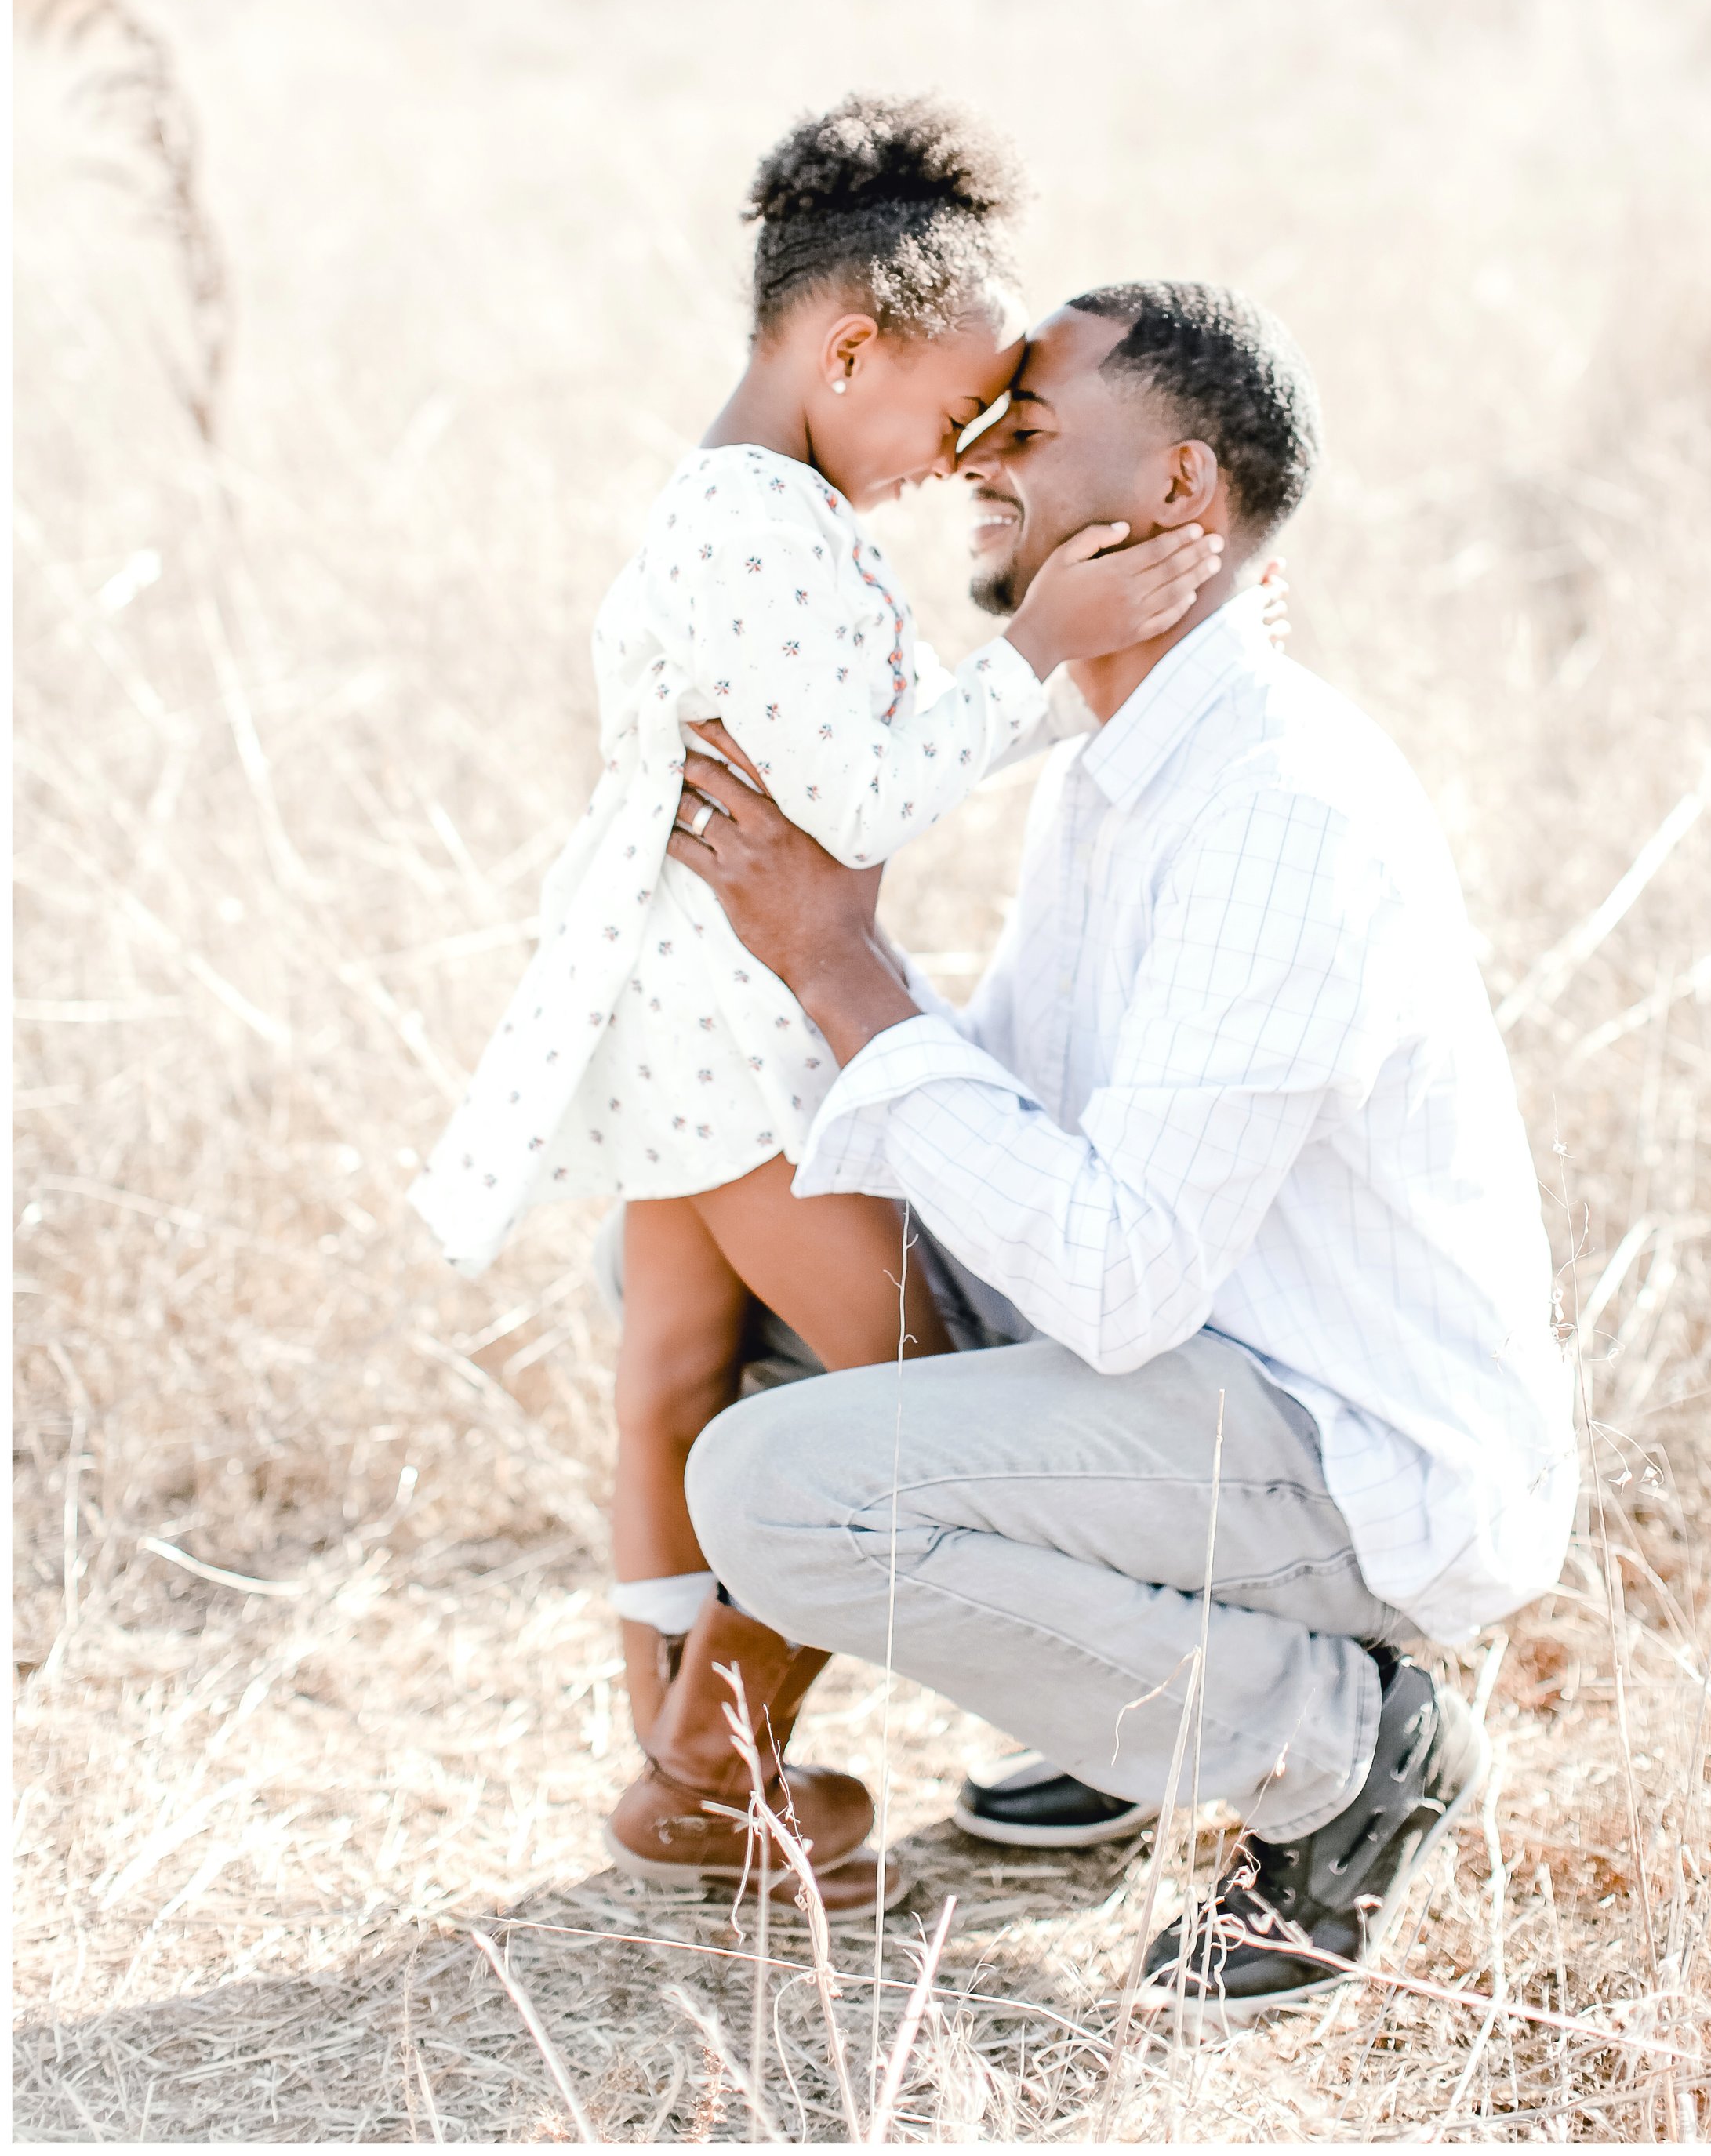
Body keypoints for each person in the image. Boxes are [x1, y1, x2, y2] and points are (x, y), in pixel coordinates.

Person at [667, 281, 1579, 2016]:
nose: (969, 455)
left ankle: (1341, 1747)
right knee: (750, 1225)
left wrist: (843, 970)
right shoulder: (1116, 765)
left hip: (1347, 1449)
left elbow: (1109, 1265)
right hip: (1195, 1369)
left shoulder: (1273, 805)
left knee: (775, 1489)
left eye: (1023, 424)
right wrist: (793, 956)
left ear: (1174, 494)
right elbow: (1013, 1114)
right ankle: (1117, 1715)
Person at [408, 100, 1219, 1911]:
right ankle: (710, 1769)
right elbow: (849, 805)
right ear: (846, 346)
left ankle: (687, 1768)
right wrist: (1032, 643)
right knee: (912, 1387)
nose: (956, 461)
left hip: (661, 1023)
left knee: (675, 1378)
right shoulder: (769, 525)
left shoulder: (716, 502)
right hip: (746, 1045)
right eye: (950, 415)